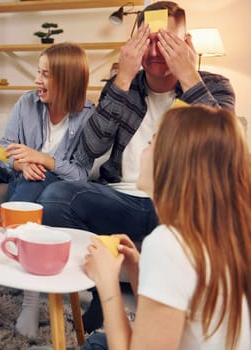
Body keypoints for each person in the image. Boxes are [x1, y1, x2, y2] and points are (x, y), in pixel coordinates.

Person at [37, 1, 236, 333]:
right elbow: (88, 150)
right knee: (55, 196)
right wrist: (123, 78)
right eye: (148, 40)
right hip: (123, 198)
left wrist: (189, 76)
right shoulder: (123, 86)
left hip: (179, 203)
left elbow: (222, 149)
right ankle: (101, 293)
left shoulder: (215, 86)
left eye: (167, 40)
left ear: (187, 43)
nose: (156, 51)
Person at [0, 42, 95, 337]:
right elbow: (3, 151)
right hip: (20, 175)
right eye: (38, 72)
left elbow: (80, 173)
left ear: (66, 80)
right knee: (3, 169)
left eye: (45, 75)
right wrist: (22, 163)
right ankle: (29, 305)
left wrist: (42, 159)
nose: (36, 81)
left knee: (39, 179)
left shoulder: (88, 117)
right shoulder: (26, 103)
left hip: (59, 188)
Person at [82, 105, 251, 349]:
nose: (143, 150)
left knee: (94, 344)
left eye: (152, 142)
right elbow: (169, 320)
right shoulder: (229, 235)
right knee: (100, 341)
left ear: (175, 161)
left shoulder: (169, 244)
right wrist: (140, 269)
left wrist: (106, 281)